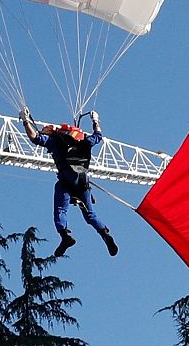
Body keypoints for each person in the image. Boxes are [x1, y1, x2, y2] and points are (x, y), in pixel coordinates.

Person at [20, 108, 117, 257]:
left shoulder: (54, 141)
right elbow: (98, 135)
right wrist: (95, 120)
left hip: (66, 183)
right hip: (83, 184)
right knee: (90, 215)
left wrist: (25, 121)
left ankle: (65, 236)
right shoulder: (85, 141)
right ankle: (105, 234)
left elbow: (34, 137)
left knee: (61, 210)